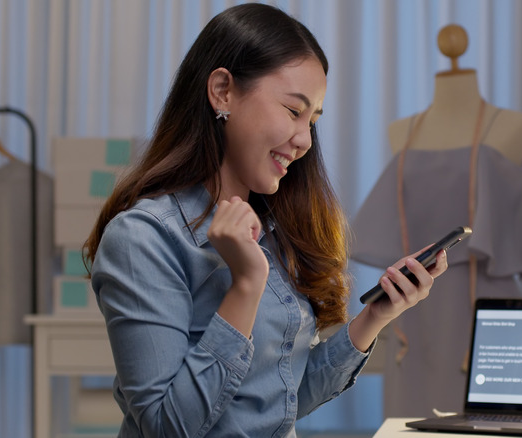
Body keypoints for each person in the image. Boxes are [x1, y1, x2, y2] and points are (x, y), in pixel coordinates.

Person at [82, 3, 447, 437]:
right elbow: (166, 428)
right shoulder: (142, 239)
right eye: (293, 111)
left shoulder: (271, 230)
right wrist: (245, 285)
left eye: (313, 120)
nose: (305, 140)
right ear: (222, 91)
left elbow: (279, 400)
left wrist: (376, 316)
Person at [351, 25, 522, 417]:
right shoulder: (402, 131)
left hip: (485, 301)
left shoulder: (511, 126)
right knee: (411, 417)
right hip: (414, 307)